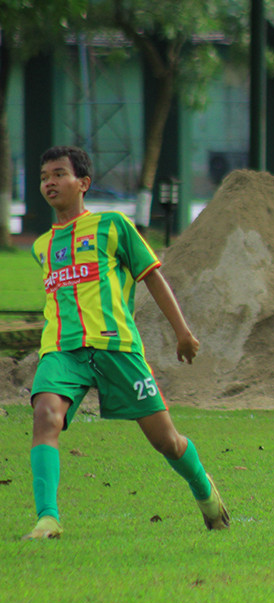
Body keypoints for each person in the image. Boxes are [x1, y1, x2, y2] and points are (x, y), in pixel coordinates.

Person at [23, 145, 229, 540]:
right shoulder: (41, 246)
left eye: (59, 174)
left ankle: (204, 491)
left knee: (166, 441)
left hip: (117, 348)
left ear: (82, 183)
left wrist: (182, 332)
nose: (49, 182)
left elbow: (151, 275)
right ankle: (47, 518)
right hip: (62, 349)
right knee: (45, 415)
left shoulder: (112, 226)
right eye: (44, 176)